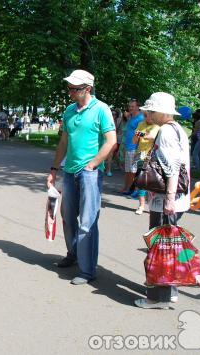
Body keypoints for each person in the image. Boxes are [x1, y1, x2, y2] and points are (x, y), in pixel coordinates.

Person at [46, 69, 116, 285]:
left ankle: (87, 270)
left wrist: (93, 164)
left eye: (74, 88)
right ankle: (73, 254)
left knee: (87, 222)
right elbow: (64, 142)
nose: (69, 92)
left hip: (90, 174)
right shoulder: (69, 111)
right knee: (68, 217)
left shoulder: (101, 109)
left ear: (87, 89)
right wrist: (54, 169)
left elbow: (111, 141)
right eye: (68, 87)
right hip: (69, 172)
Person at [134, 92, 190, 309]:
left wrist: (168, 198)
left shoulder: (166, 131)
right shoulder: (178, 130)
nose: (148, 113)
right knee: (169, 246)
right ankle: (170, 291)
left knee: (159, 248)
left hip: (166, 200)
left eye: (151, 110)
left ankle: (157, 297)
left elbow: (173, 167)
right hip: (177, 199)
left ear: (162, 112)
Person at [132, 109, 160, 215]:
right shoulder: (141, 124)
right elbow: (134, 141)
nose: (150, 118)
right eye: (148, 115)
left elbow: (151, 136)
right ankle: (141, 205)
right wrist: (137, 135)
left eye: (152, 116)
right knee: (140, 180)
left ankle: (153, 205)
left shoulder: (156, 126)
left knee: (152, 181)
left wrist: (139, 133)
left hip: (152, 156)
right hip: (140, 155)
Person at [120, 99, 144, 195]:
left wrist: (137, 135)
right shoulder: (131, 117)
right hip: (127, 146)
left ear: (138, 107)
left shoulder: (141, 118)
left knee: (132, 171)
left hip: (134, 147)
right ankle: (126, 187)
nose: (130, 108)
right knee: (127, 170)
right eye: (129, 106)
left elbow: (143, 134)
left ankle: (130, 189)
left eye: (132, 106)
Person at [104, 109, 123, 177]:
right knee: (107, 154)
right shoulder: (106, 120)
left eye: (114, 114)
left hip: (113, 139)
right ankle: (104, 168)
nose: (113, 115)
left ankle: (108, 170)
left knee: (111, 155)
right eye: (112, 114)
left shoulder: (118, 121)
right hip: (105, 139)